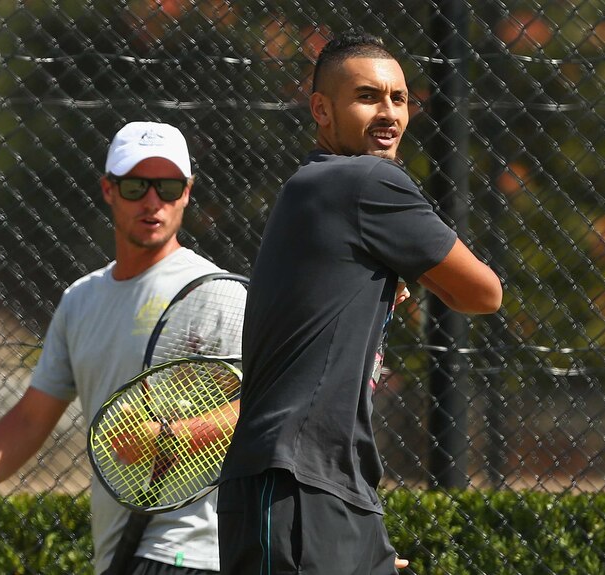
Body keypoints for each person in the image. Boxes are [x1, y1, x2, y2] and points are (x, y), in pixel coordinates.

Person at [216, 30, 503, 575]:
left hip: (332, 490)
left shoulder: (315, 185)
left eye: (399, 98)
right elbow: (484, 292)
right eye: (368, 96)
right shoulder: (366, 180)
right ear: (321, 109)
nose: (389, 113)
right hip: (297, 488)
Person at [0, 121, 233, 575]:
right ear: (108, 189)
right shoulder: (81, 299)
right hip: (117, 551)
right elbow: (30, 418)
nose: (152, 200)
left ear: (186, 191)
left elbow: (267, 405)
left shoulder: (215, 292)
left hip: (193, 551)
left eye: (167, 186)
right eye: (136, 185)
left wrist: (169, 438)